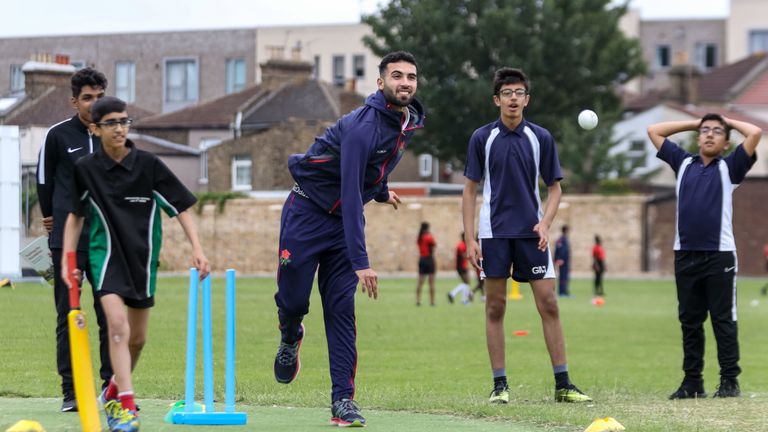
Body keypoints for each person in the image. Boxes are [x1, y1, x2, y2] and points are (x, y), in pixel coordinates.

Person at [272, 51, 424, 427]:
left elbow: (377, 165)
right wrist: (362, 262)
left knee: (341, 311)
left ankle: (343, 401)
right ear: (380, 83)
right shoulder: (361, 126)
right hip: (306, 214)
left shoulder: (405, 120)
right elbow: (353, 191)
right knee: (293, 301)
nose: (405, 83)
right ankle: (291, 334)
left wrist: (383, 189)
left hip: (339, 226)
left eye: (411, 77)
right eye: (397, 76)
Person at [61, 96, 210, 430]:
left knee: (137, 339)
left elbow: (182, 207)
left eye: (124, 121)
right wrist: (66, 261)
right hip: (105, 258)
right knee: (117, 326)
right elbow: (75, 216)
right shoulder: (85, 169)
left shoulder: (149, 164)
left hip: (142, 261)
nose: (119, 128)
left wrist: (198, 249)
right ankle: (126, 406)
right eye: (111, 123)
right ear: (95, 128)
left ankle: (114, 389)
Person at [462, 67, 591, 404]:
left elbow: (555, 189)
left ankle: (563, 384)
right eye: (507, 93)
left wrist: (545, 223)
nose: (513, 98)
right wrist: (470, 238)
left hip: (532, 236)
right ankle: (500, 386)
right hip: (493, 236)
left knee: (549, 304)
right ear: (496, 100)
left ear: (527, 99)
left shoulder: (541, 138)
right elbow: (469, 190)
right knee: (495, 307)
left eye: (519, 93)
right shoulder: (481, 138)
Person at [647, 114, 762, 399]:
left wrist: (728, 121)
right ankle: (692, 382)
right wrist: (696, 122)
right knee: (690, 321)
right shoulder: (684, 163)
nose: (710, 135)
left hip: (719, 256)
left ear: (725, 143)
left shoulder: (730, 168)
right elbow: (654, 130)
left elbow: (755, 132)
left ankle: (729, 381)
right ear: (698, 137)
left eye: (717, 132)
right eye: (706, 131)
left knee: (723, 320)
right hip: (684, 254)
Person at [35, 67, 112, 413]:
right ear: (74, 101)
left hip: (106, 241)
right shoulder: (58, 135)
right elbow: (43, 178)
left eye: (99, 97)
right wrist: (52, 214)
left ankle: (112, 386)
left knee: (110, 313)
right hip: (66, 242)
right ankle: (72, 391)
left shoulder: (115, 131)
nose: (94, 104)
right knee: (69, 313)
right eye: (87, 98)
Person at [415, 222, 437, 306]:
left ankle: (418, 300)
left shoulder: (419, 238)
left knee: (420, 282)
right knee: (431, 282)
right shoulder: (429, 237)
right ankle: (432, 301)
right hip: (429, 259)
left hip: (422, 259)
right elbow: (434, 245)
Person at [448, 231, 472, 305]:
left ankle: (462, 299)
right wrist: (471, 255)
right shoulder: (461, 245)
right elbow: (463, 256)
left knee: (466, 283)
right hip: (461, 267)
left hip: (463, 266)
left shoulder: (464, 244)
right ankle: (454, 294)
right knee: (466, 283)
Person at [554, 225, 571, 297]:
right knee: (563, 277)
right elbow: (559, 250)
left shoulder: (565, 239)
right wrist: (559, 259)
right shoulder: (561, 239)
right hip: (562, 262)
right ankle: (562, 292)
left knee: (565, 276)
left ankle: (565, 291)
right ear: (565, 230)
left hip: (566, 262)